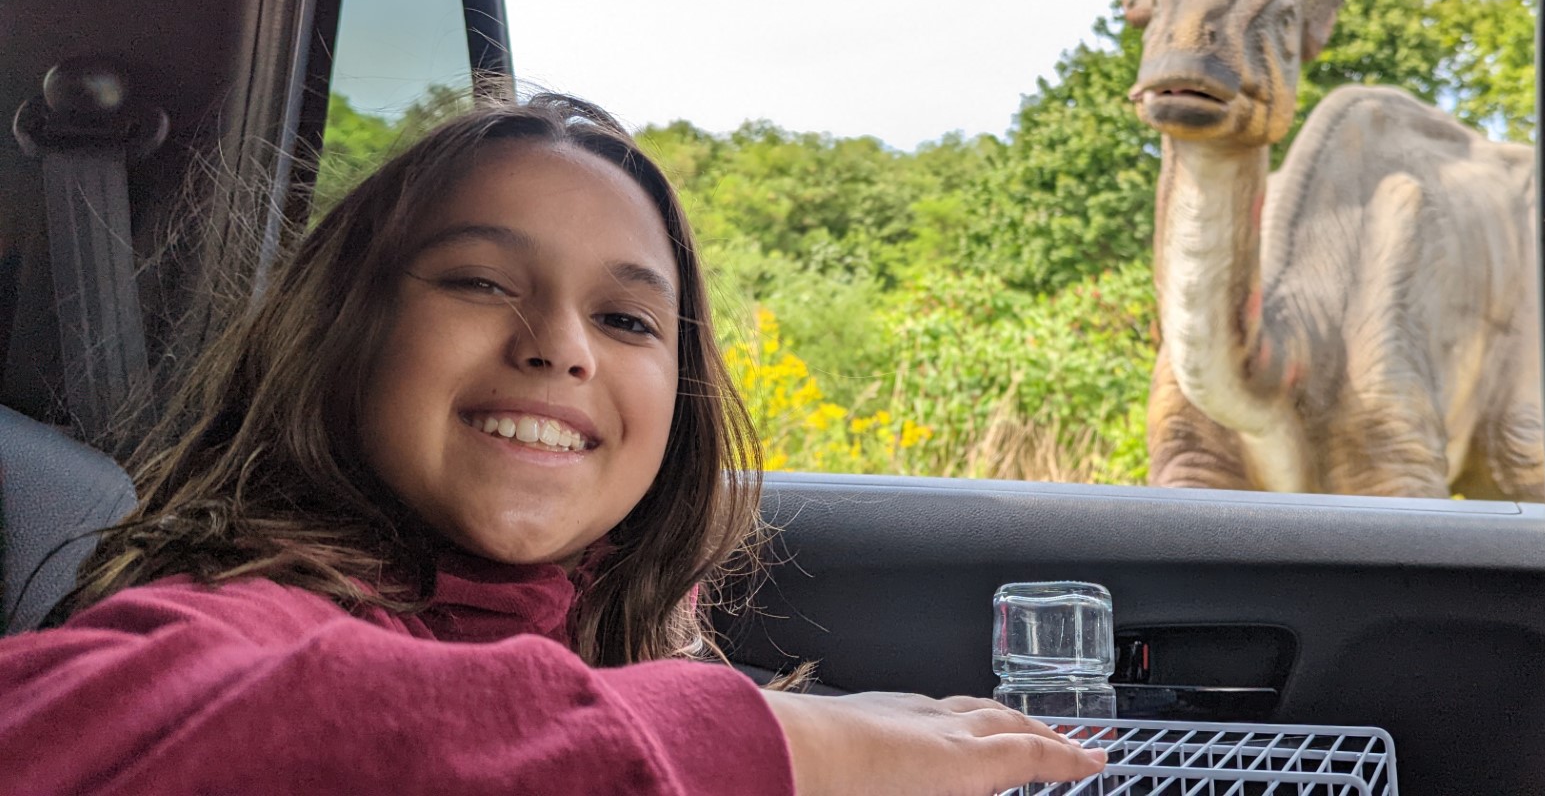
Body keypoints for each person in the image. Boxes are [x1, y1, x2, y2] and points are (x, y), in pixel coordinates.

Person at [0, 94, 1107, 795]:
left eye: (627, 320)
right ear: (345, 331)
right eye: (482, 282)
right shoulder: (241, 612)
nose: (561, 347)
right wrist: (795, 744)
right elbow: (93, 720)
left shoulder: (605, 633)